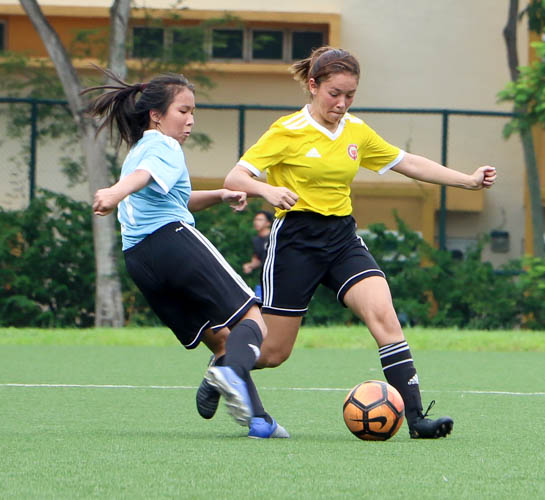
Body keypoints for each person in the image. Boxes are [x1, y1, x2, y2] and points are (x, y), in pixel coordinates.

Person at [220, 46, 497, 439]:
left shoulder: (356, 130)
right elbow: (235, 177)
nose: (343, 103)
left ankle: (416, 420)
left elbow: (408, 162)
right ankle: (225, 361)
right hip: (296, 241)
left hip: (342, 239)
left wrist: (467, 180)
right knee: (274, 353)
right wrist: (266, 191)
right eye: (335, 94)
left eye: (350, 95)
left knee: (384, 316)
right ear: (313, 86)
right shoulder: (287, 130)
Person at [84, 68, 288, 439]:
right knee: (253, 321)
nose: (190, 120)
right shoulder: (163, 146)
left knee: (223, 341)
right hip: (171, 241)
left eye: (194, 112)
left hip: (141, 261)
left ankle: (259, 421)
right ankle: (228, 374)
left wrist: (220, 195)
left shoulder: (139, 151)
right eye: (183, 111)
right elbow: (142, 179)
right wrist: (114, 192)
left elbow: (173, 197)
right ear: (156, 115)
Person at [242, 210, 274, 298]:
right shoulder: (256, 240)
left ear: (268, 223)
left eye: (260, 220)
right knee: (259, 305)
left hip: (278, 278)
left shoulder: (275, 237)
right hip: (264, 280)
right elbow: (257, 260)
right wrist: (250, 266)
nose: (256, 222)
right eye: (256, 219)